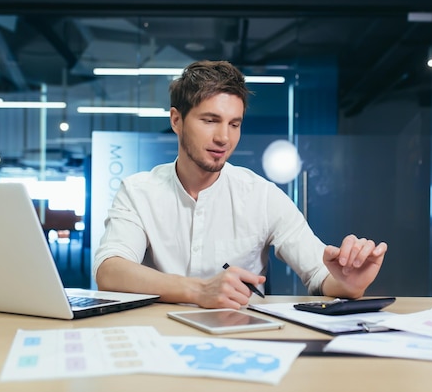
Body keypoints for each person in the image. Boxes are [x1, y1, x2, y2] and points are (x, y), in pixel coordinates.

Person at [93, 60, 387, 309]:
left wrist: (349, 284)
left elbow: (319, 272)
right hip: (158, 340)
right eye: (210, 120)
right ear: (176, 120)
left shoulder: (261, 195)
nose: (224, 137)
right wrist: (198, 291)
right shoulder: (138, 191)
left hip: (241, 341)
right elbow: (110, 270)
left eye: (234, 124)